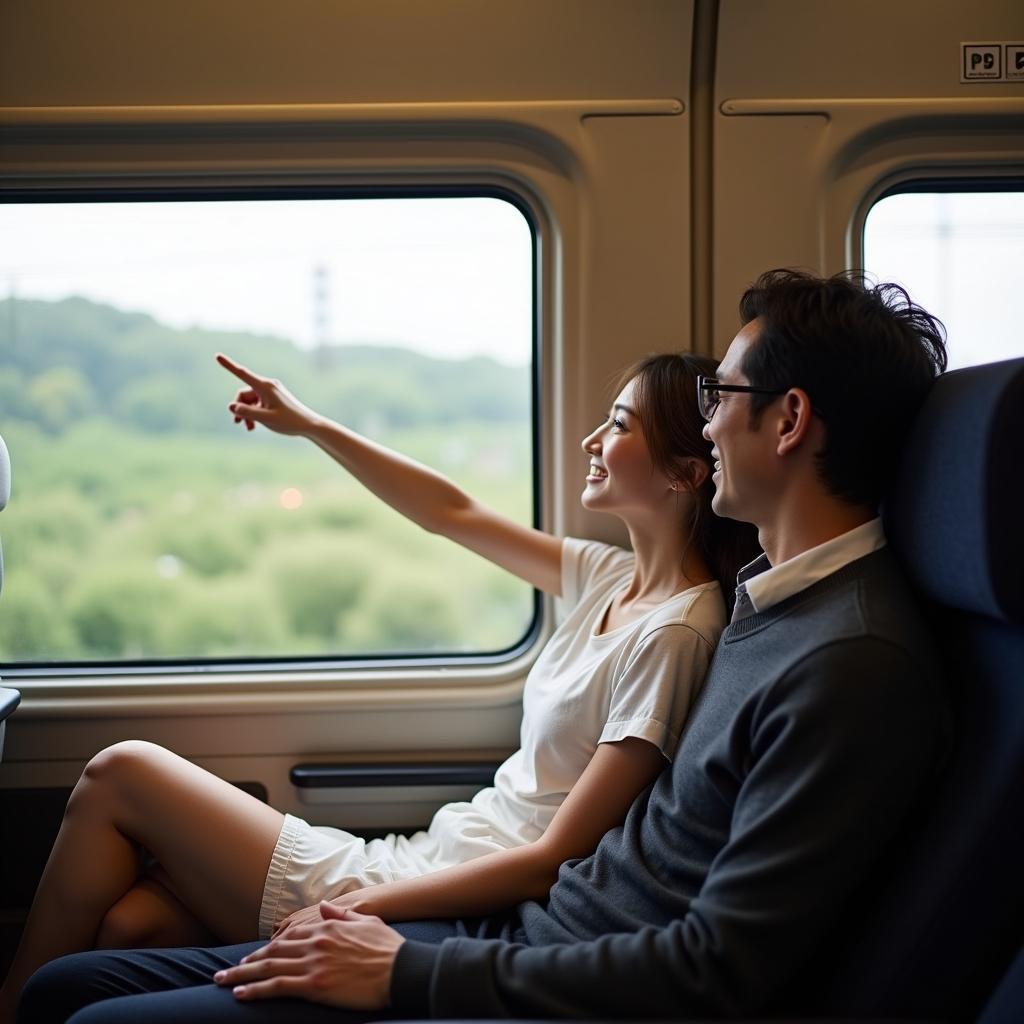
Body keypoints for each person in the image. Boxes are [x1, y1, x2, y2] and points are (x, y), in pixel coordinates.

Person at [15, 268, 951, 1024]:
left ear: (786, 422)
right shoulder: (765, 607)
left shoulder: (844, 661)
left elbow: (716, 966)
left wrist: (406, 970)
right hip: (513, 933)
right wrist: (311, 426)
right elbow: (451, 513)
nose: (710, 423)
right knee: (83, 972)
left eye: (724, 399)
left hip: (507, 956)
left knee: (97, 946)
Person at [1, 351, 759, 1023]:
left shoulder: (677, 632)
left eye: (618, 425)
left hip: (452, 892)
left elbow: (553, 854)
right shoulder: (610, 575)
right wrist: (312, 425)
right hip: (427, 853)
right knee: (135, 924)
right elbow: (450, 513)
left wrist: (362, 905)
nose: (592, 441)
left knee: (121, 771)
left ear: (686, 472)